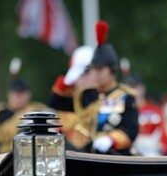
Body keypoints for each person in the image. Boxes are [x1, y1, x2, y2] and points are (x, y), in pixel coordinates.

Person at [49, 21, 138, 155]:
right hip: (89, 154)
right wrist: (68, 80)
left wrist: (111, 139)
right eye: (93, 69)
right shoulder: (88, 95)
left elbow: (131, 129)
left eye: (100, 69)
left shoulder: (125, 97)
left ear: (112, 69)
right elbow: (55, 103)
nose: (95, 73)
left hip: (115, 156)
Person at [0, 58, 48, 155]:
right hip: (0, 159)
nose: (18, 97)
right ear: (9, 94)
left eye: (22, 94)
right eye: (15, 94)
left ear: (28, 95)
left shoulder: (35, 112)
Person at [124, 73, 167, 156]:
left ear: (142, 88)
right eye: (128, 88)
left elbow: (164, 137)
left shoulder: (154, 110)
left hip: (152, 156)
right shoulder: (122, 111)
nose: (132, 91)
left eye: (135, 87)